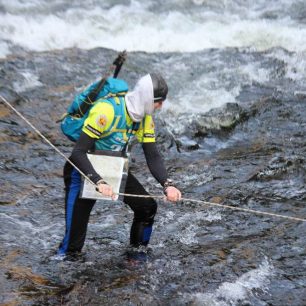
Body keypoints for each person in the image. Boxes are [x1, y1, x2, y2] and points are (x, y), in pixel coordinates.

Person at [57, 73, 181, 257]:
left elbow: (152, 156)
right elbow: (78, 153)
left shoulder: (145, 119)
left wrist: (167, 184)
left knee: (147, 207)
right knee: (73, 247)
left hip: (112, 167)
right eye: (159, 101)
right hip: (83, 172)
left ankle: (136, 258)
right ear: (147, 99)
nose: (161, 106)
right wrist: (99, 182)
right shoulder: (106, 111)